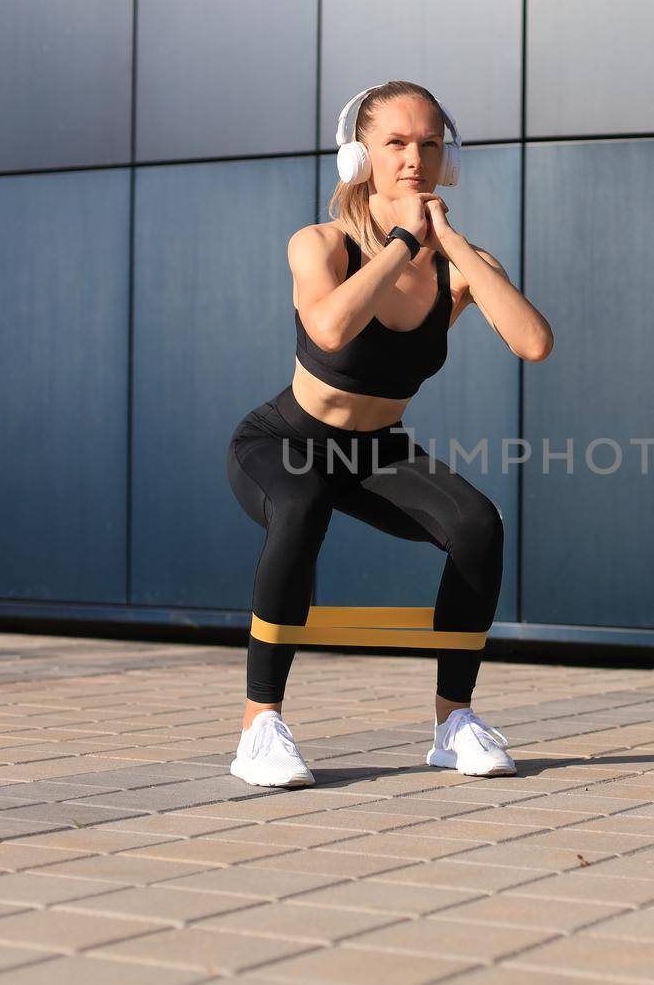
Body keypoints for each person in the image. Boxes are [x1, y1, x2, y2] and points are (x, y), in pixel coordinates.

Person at [225, 81, 554, 787]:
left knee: (478, 524)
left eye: (430, 144)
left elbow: (533, 342)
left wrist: (452, 244)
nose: (415, 158)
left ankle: (453, 722)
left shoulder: (455, 266)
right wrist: (404, 239)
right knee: (303, 503)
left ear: (448, 159)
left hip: (376, 449)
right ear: (358, 157)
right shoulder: (320, 244)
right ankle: (260, 727)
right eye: (396, 143)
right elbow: (331, 327)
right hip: (285, 441)